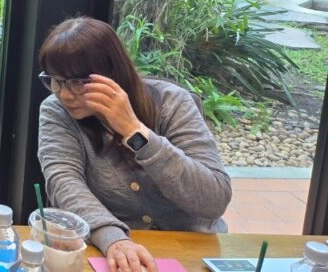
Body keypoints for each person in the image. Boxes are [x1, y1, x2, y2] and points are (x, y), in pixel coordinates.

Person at [37, 16, 231, 272]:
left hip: (193, 249)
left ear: (112, 73)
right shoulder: (56, 111)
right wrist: (113, 239)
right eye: (54, 80)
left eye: (77, 82)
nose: (63, 94)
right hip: (115, 254)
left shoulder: (172, 103)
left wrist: (133, 130)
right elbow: (64, 182)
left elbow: (215, 199)